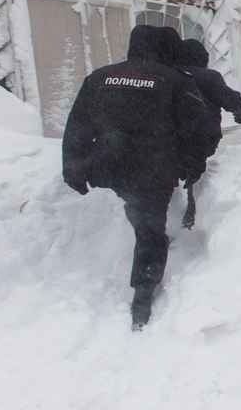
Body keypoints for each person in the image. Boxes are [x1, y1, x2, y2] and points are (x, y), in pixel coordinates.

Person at [62, 25, 207, 330]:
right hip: (152, 171)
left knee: (141, 220)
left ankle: (135, 286)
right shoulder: (176, 82)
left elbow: (77, 125)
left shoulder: (100, 78)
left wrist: (74, 166)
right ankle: (143, 294)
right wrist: (192, 166)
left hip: (109, 167)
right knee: (150, 230)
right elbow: (196, 132)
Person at [174, 39, 241, 228]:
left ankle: (170, 214)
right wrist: (239, 110)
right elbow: (230, 99)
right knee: (196, 173)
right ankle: (191, 212)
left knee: (173, 172)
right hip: (203, 135)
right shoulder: (208, 76)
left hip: (172, 136)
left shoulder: (168, 73)